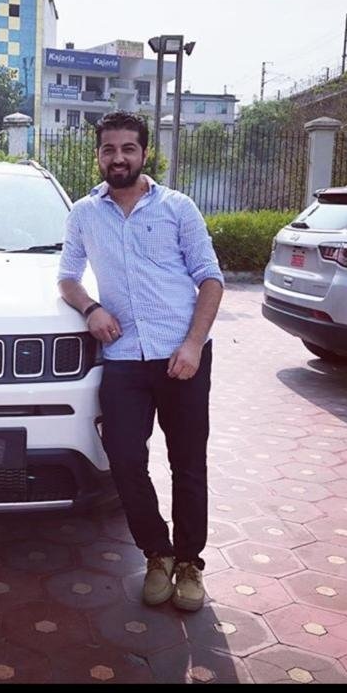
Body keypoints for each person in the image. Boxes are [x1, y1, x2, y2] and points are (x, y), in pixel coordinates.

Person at [58, 111, 224, 612]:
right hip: (124, 357)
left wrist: (193, 344)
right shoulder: (84, 213)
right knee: (126, 460)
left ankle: (190, 563)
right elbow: (67, 277)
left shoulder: (177, 207)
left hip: (181, 356)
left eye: (128, 148)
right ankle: (157, 553)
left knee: (187, 464)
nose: (118, 158)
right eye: (109, 149)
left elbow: (210, 279)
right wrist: (91, 308)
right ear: (98, 155)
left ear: (144, 153)